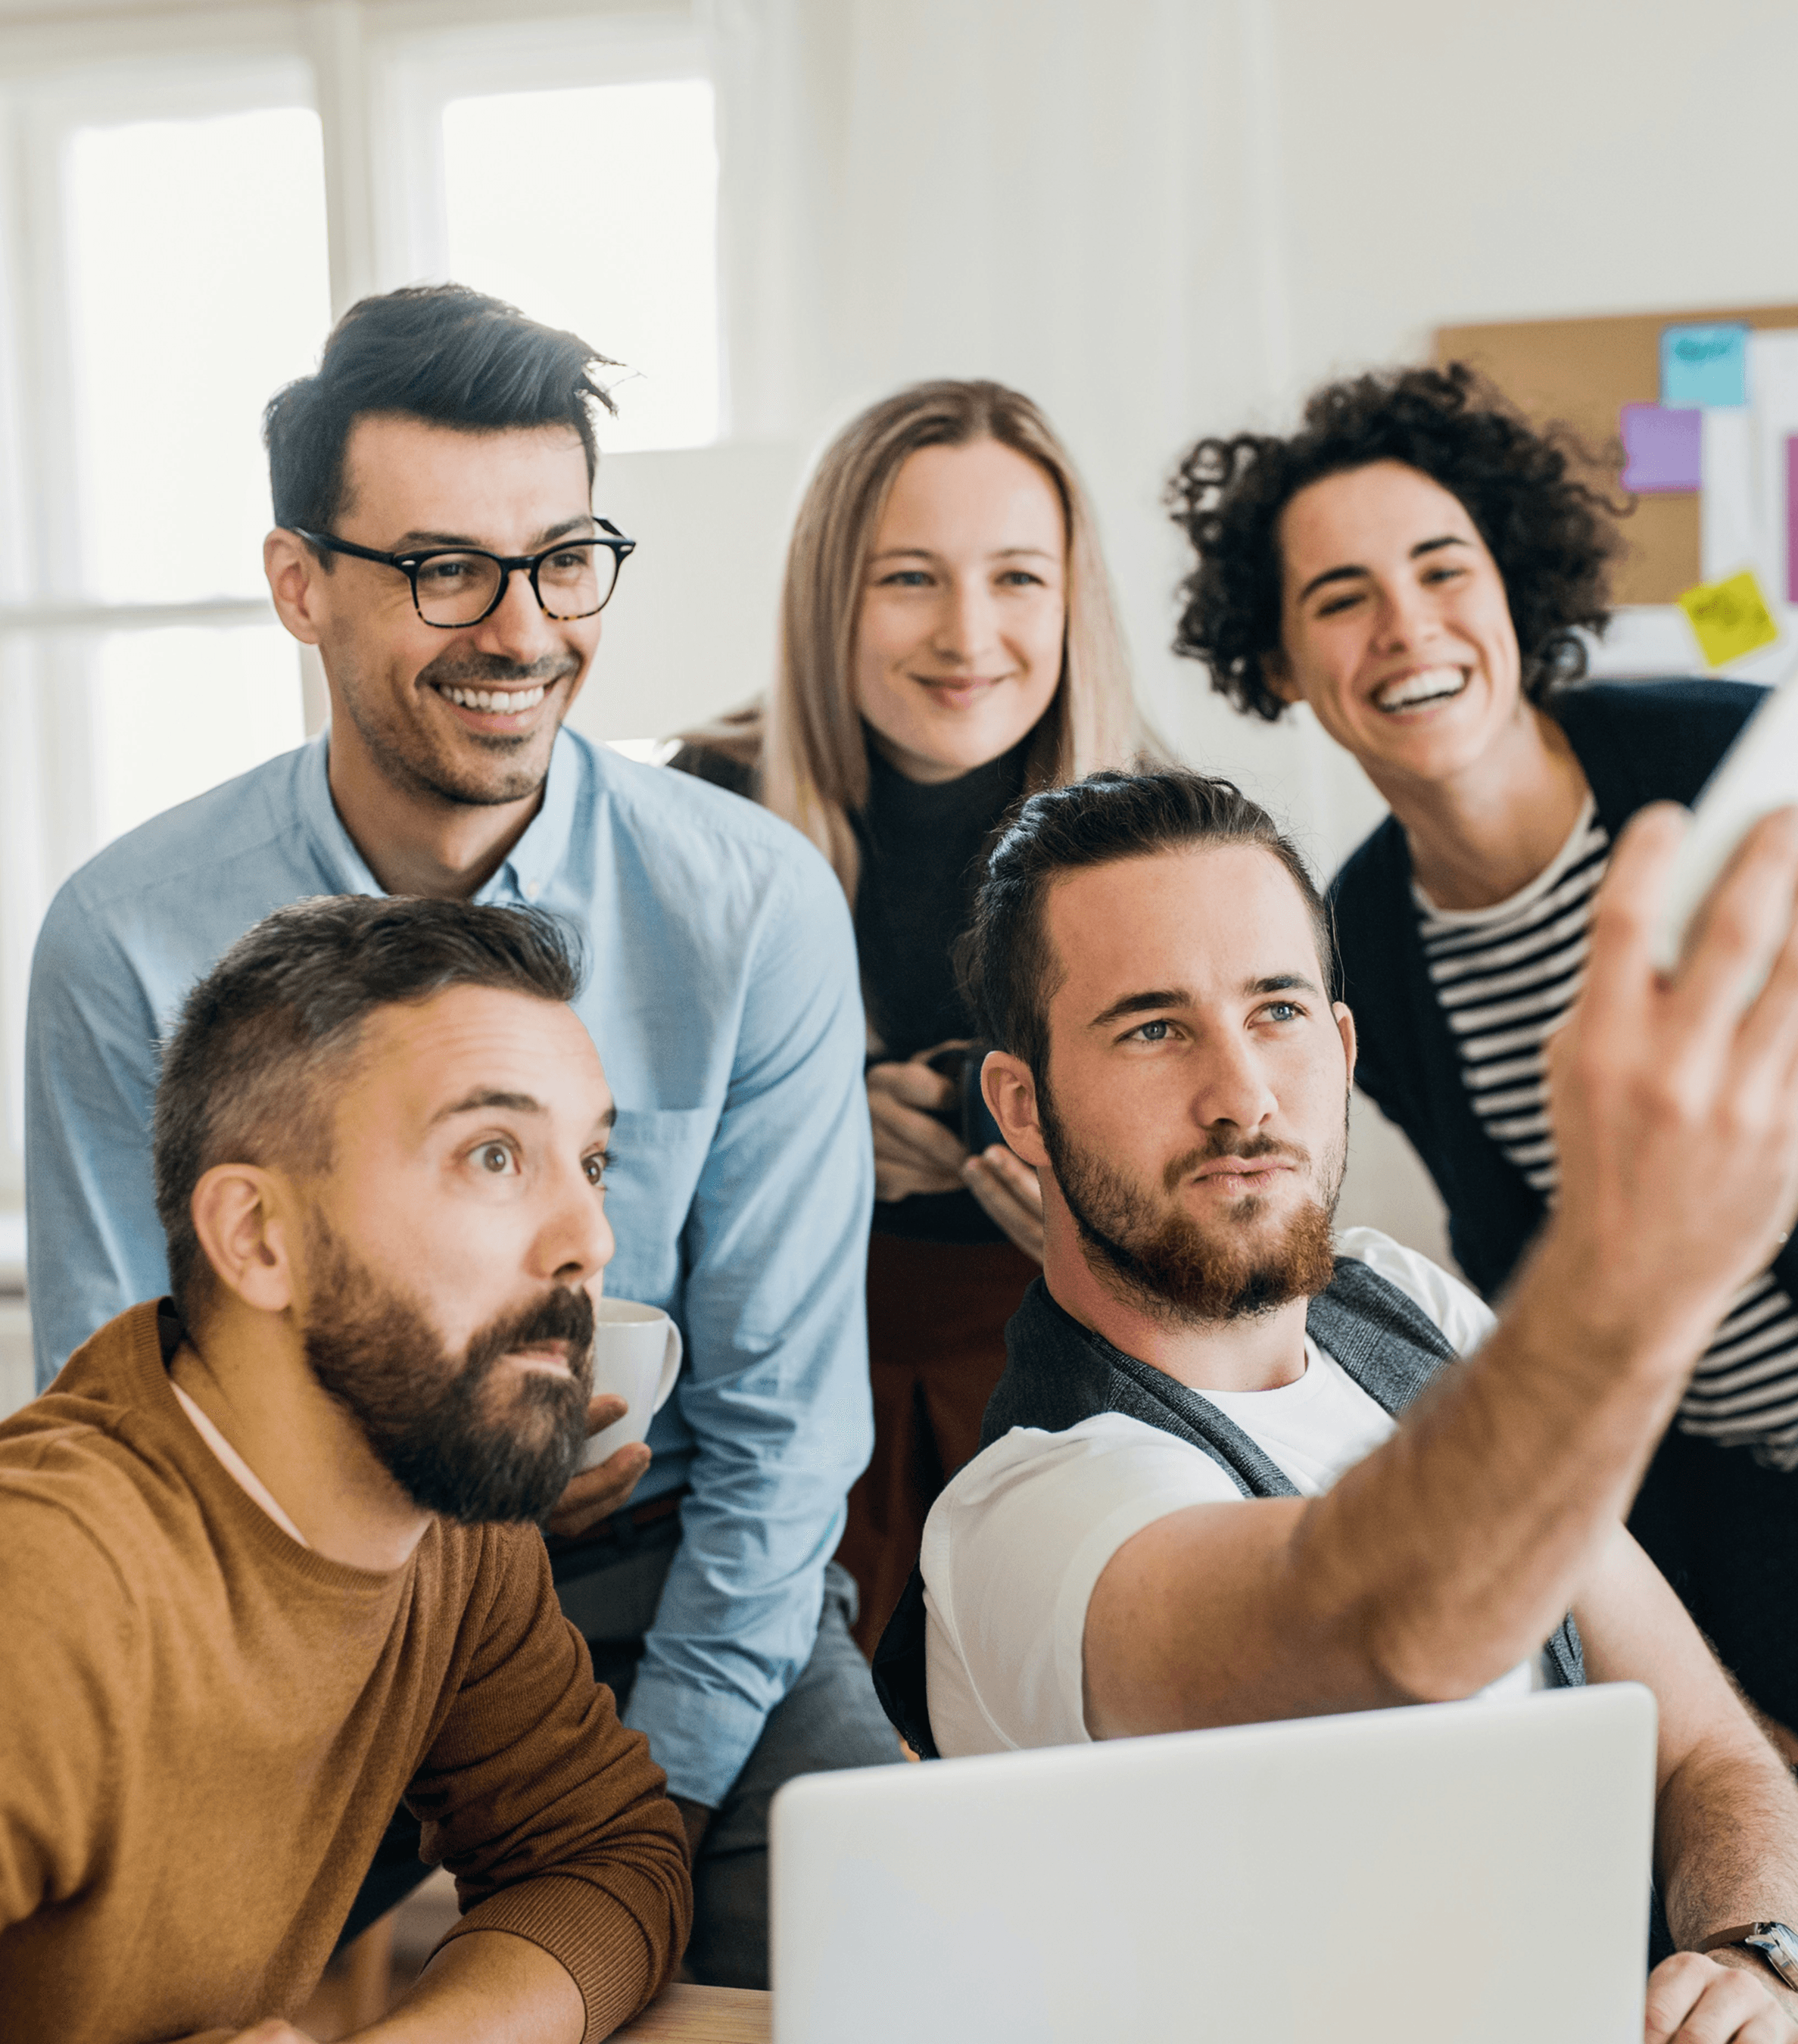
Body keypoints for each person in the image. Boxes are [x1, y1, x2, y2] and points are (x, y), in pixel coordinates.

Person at [23, 283, 901, 1988]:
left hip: (679, 1590)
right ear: (301, 586)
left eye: (563, 560)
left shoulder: (750, 903)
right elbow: (117, 1402)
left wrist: (633, 1812)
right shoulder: (125, 935)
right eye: (443, 570)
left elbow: (784, 1431)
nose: (517, 629)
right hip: (283, 1604)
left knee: (909, 1964)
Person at [1166, 364, 1798, 2037]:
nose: (1404, 627)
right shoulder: (1353, 944)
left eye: (1440, 569)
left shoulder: (1742, 774)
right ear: (1284, 668)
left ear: (1512, 589)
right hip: (1728, 1515)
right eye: (1336, 598)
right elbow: (1534, 1276)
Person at [877, 768, 1798, 2042]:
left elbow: (1706, 1749)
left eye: (1275, 1010)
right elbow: (1386, 1634)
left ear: (1338, 1049)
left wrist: (1753, 1957)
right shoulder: (1028, 1516)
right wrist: (1631, 1266)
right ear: (1023, 1108)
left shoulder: (1399, 1304)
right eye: (1154, 1029)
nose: (1242, 1095)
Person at [1, 896, 690, 2044]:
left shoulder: (444, 1515)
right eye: (493, 1154)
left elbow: (602, 1853)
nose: (590, 1238)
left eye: (592, 1160)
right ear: (260, 1239)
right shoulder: (49, 1586)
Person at [668, 379, 1142, 1650]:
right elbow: (618, 1158)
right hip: (785, 1378)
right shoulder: (701, 809)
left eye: (1018, 579)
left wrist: (1115, 1213)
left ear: (1072, 597)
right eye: (910, 579)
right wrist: (817, 1138)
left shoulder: (1164, 827)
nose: (968, 633)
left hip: (1082, 1380)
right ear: (831, 593)